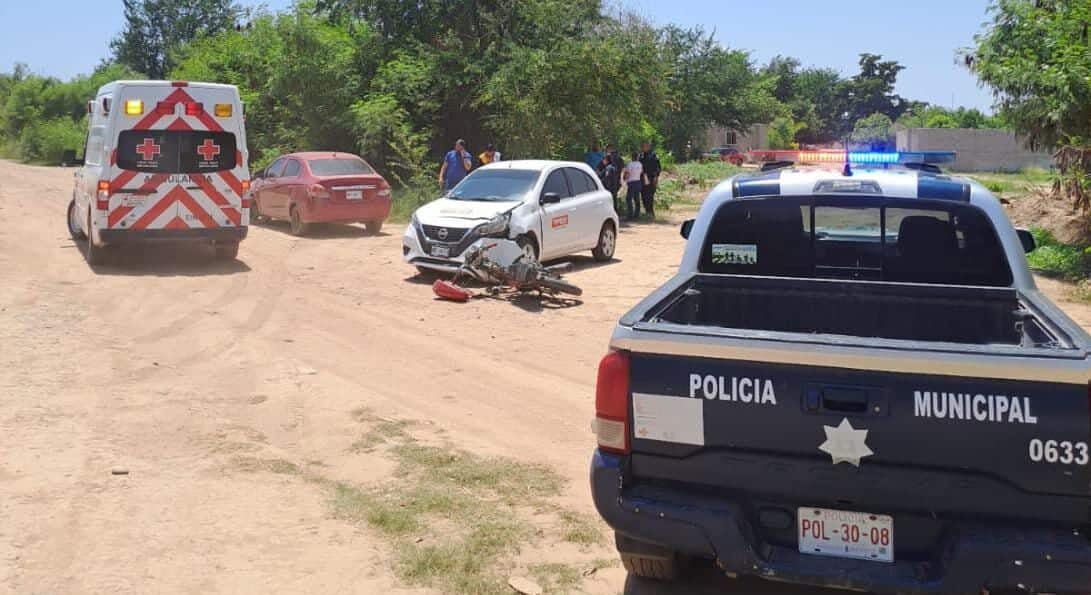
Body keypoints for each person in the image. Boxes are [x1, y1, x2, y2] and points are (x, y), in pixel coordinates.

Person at [639, 142, 662, 218]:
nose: (644, 148)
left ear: (649, 147)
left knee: (650, 195)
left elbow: (658, 168)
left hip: (651, 177)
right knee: (643, 195)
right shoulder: (641, 156)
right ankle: (647, 211)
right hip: (642, 178)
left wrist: (656, 177)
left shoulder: (653, 155)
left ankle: (651, 212)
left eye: (645, 146)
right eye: (642, 146)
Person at [621, 151, 646, 220]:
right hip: (638, 182)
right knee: (637, 198)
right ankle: (637, 214)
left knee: (629, 199)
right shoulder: (640, 164)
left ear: (632, 157)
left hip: (631, 182)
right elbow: (641, 172)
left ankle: (630, 214)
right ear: (637, 157)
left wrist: (624, 179)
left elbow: (627, 173)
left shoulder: (630, 164)